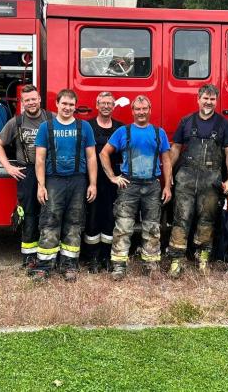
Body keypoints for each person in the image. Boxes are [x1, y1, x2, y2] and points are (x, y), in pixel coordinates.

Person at [166, 84, 228, 278]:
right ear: (198, 99)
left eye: (212, 99)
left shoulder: (223, 124)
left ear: (216, 101)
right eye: (205, 98)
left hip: (211, 179)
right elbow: (175, 148)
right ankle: (176, 259)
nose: (208, 102)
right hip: (186, 178)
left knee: (207, 219)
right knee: (181, 218)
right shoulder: (186, 122)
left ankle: (202, 256)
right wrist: (168, 174)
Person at [100, 95, 172, 280]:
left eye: (144, 109)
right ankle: (119, 265)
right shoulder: (123, 132)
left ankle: (151, 263)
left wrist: (167, 187)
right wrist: (113, 177)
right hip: (128, 185)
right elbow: (103, 154)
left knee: (152, 227)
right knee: (123, 226)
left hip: (152, 185)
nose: (141, 112)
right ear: (132, 111)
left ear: (150, 110)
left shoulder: (159, 133)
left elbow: (166, 160)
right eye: (137, 109)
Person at [32, 89, 97, 282]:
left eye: (71, 104)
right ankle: (44, 265)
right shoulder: (46, 127)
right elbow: (40, 159)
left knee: (74, 223)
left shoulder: (84, 127)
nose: (67, 108)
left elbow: (92, 157)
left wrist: (92, 183)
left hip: (78, 181)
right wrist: (40, 185)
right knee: (50, 221)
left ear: (75, 106)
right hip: (54, 181)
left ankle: (69, 265)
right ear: (57, 104)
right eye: (64, 104)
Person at [0, 84, 52, 269]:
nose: (31, 103)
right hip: (27, 173)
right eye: (27, 100)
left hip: (49, 172)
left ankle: (48, 254)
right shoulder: (16, 122)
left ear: (40, 99)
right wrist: (8, 167)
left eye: (34, 99)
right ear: (22, 102)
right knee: (29, 214)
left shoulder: (51, 118)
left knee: (50, 213)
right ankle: (29, 256)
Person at [83, 92, 124, 273]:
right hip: (92, 179)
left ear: (113, 106)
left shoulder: (120, 128)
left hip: (113, 181)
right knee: (92, 217)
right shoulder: (88, 127)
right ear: (97, 105)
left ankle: (106, 257)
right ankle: (92, 257)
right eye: (103, 103)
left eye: (110, 103)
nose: (106, 106)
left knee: (110, 217)